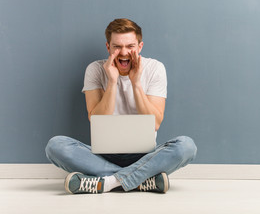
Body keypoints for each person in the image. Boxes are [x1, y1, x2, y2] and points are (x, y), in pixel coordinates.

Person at [45, 18, 197, 194]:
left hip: (146, 155)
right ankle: (141, 181)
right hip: (101, 155)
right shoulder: (95, 69)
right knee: (55, 146)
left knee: (186, 146)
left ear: (140, 47)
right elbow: (97, 121)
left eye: (130, 46)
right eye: (117, 47)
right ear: (108, 47)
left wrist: (136, 83)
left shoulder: (155, 68)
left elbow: (154, 123)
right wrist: (112, 81)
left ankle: (107, 182)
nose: (124, 52)